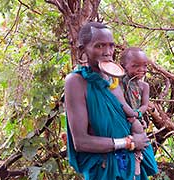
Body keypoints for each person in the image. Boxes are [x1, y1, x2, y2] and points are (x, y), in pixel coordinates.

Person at [65, 22, 157, 180]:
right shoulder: (76, 82)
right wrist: (129, 143)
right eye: (99, 46)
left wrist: (136, 120)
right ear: (82, 50)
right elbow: (81, 142)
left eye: (111, 46)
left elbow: (125, 111)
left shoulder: (114, 78)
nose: (107, 52)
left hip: (131, 167)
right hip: (104, 169)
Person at [111, 47, 157, 176]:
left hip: (136, 116)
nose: (141, 70)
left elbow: (144, 105)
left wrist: (136, 114)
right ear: (124, 66)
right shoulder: (118, 82)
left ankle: (138, 156)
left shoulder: (144, 86)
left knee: (138, 127)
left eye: (144, 66)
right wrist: (128, 113)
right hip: (122, 117)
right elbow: (120, 102)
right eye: (136, 66)